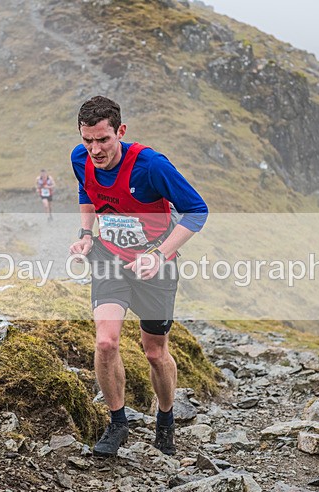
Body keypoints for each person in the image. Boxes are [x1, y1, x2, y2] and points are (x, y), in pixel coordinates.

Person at [68, 96, 208, 457]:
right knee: (105, 342)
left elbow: (196, 211)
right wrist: (86, 235)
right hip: (110, 260)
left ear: (121, 132)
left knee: (155, 352)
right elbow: (88, 191)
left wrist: (159, 255)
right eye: (88, 140)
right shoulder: (80, 158)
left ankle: (165, 417)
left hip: (154, 267)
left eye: (103, 140)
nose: (95, 150)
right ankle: (118, 423)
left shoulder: (150, 165)